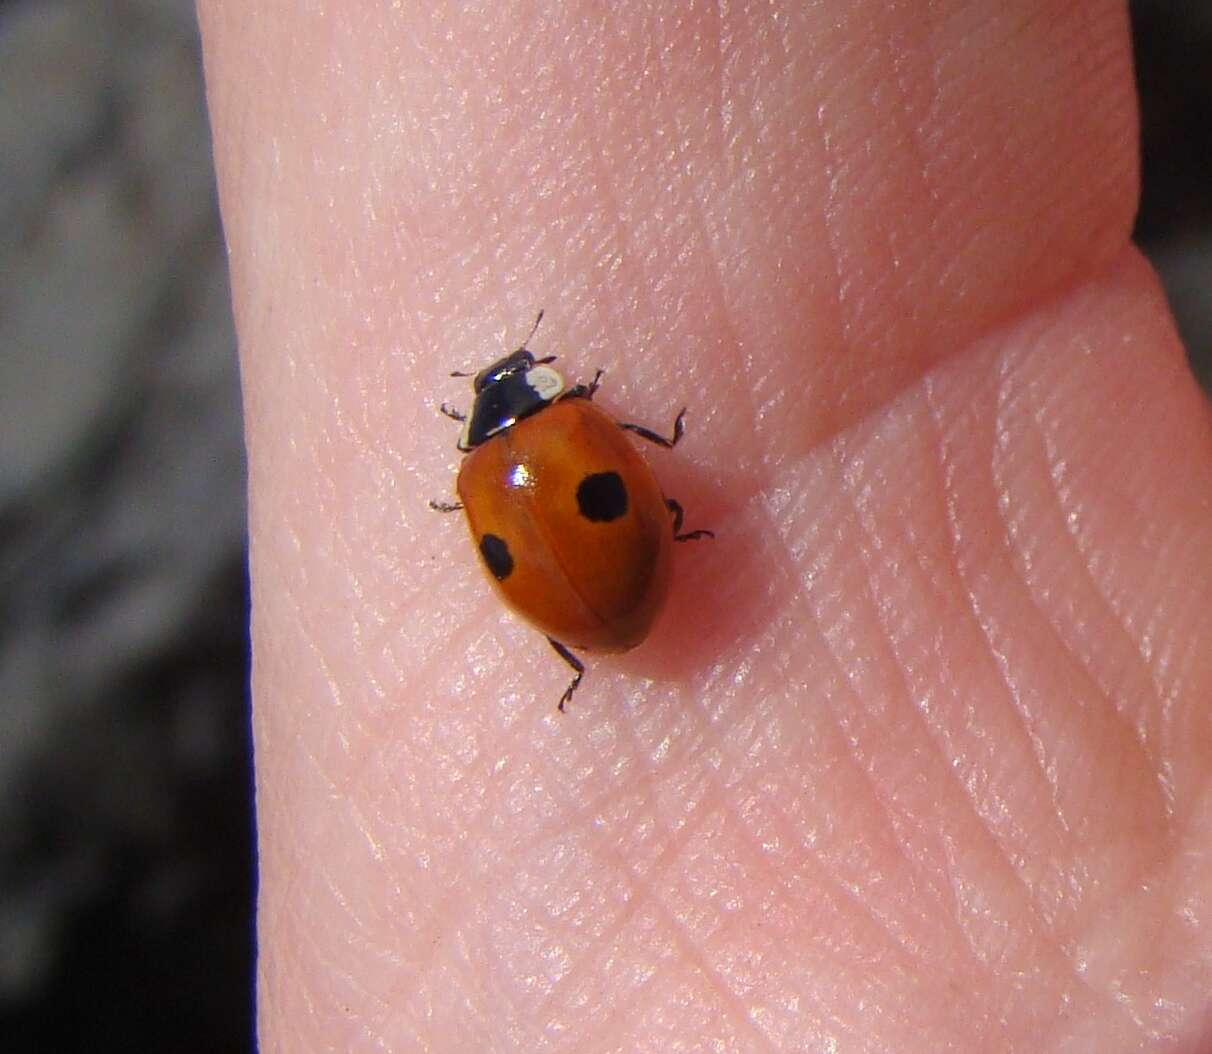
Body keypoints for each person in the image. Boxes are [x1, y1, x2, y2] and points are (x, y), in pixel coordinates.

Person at [198, 1, 1212, 1049]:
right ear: (537, 388)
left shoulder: (485, 478)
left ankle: (590, 649)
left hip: (596, 619)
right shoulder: (563, 428)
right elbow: (623, 453)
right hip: (619, 589)